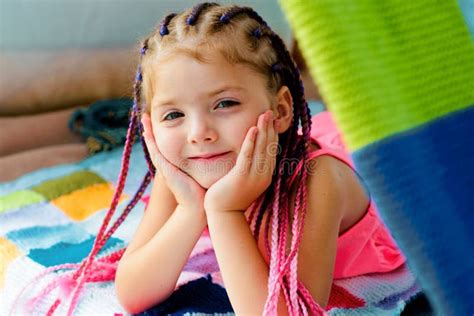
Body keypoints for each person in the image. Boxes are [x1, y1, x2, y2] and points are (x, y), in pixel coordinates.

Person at [11, 3, 405, 315]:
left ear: (282, 110)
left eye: (225, 103)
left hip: (346, 157)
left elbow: (285, 312)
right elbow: (132, 294)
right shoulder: (185, 170)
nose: (199, 132)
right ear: (150, 127)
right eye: (173, 115)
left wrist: (223, 210)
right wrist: (190, 209)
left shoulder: (316, 180)